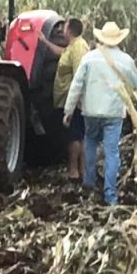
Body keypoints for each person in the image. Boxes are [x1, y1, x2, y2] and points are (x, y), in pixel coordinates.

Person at [63, 21, 137, 206]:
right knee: (112, 151)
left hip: (90, 111)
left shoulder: (89, 58)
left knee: (90, 143)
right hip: (114, 112)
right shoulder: (126, 60)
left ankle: (89, 184)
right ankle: (110, 195)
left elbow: (76, 86)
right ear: (118, 39)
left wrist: (68, 110)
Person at [39, 18, 89, 179]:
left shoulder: (79, 48)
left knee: (75, 136)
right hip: (68, 100)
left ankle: (75, 171)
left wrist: (74, 102)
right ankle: (82, 171)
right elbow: (61, 53)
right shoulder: (72, 47)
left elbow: (80, 76)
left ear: (69, 31)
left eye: (64, 29)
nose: (62, 32)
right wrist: (45, 42)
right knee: (77, 135)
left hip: (74, 101)